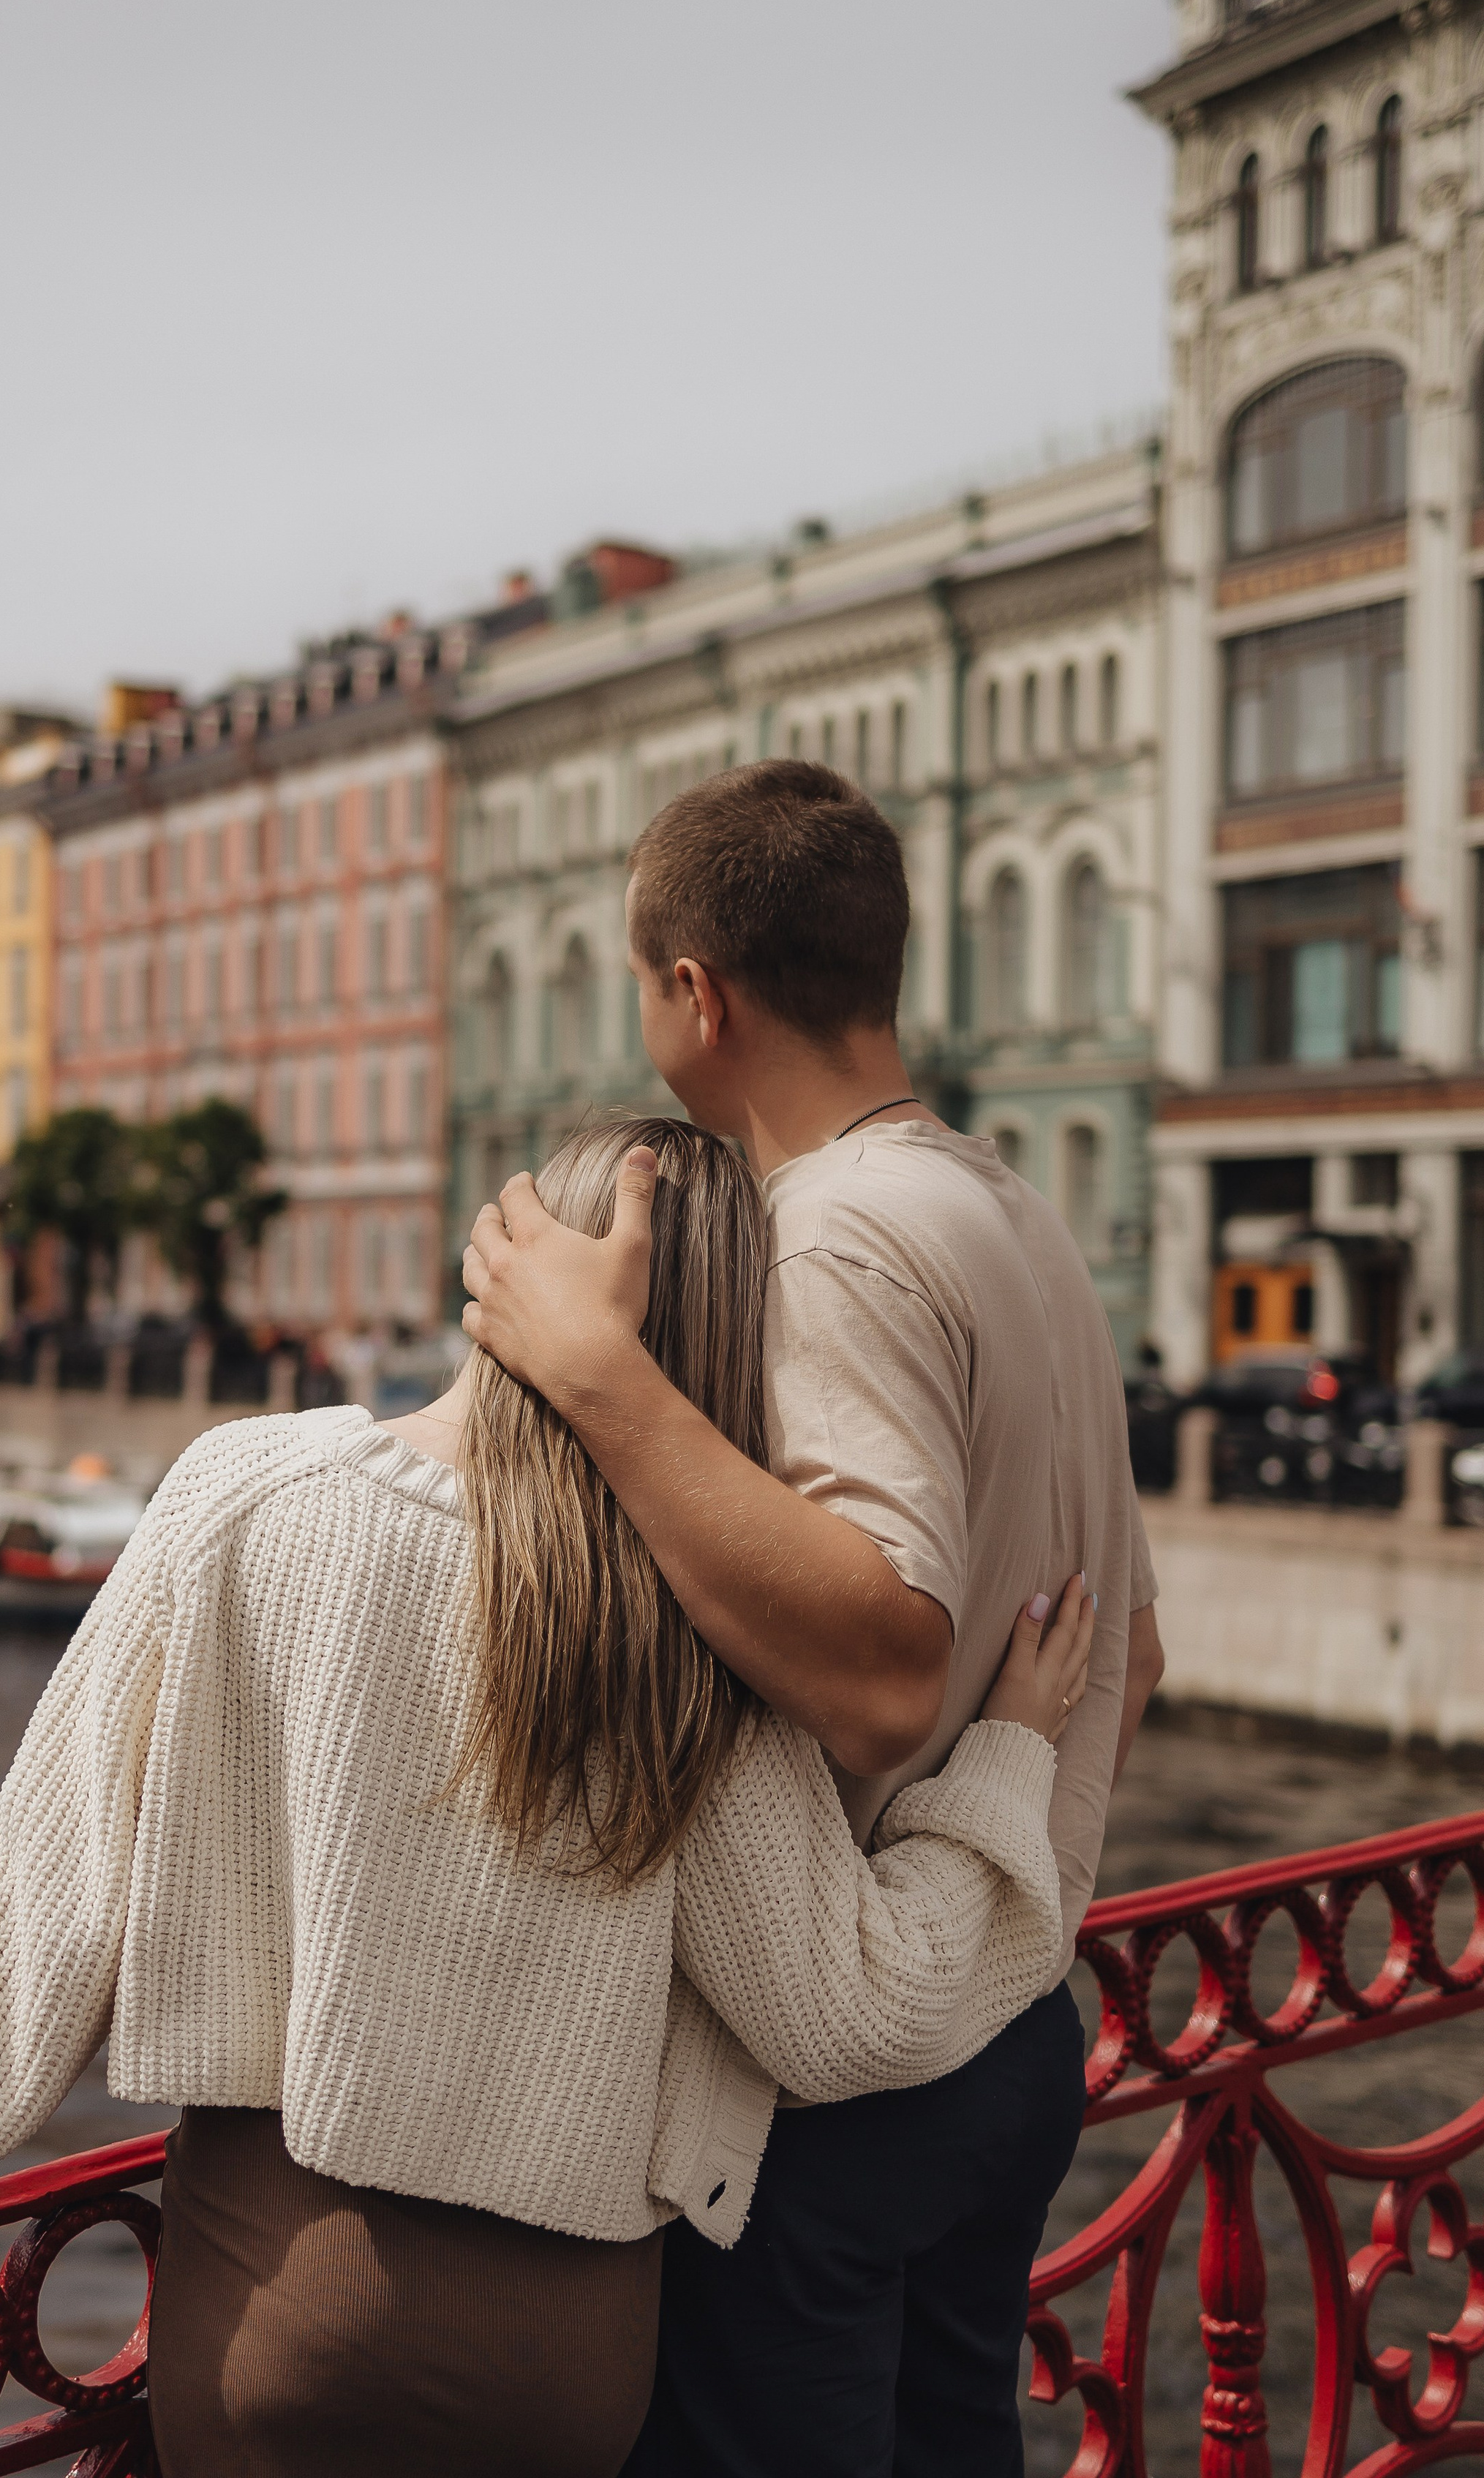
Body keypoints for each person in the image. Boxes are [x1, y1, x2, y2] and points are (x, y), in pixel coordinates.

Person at [0, 1115, 1093, 2478]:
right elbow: (845, 2011)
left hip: (280, 2311)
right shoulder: (691, 1629)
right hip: (562, 2360)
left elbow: (33, 1912)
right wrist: (1009, 1758)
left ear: (497, 1267)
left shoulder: (248, 1493)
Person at [461, 762, 1166, 2478]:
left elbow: (879, 1659)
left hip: (844, 2088)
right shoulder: (1016, 1212)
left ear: (693, 994)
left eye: (642, 985)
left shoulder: (829, 1237)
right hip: (1009, 2040)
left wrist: (592, 1378)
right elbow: (1130, 1654)